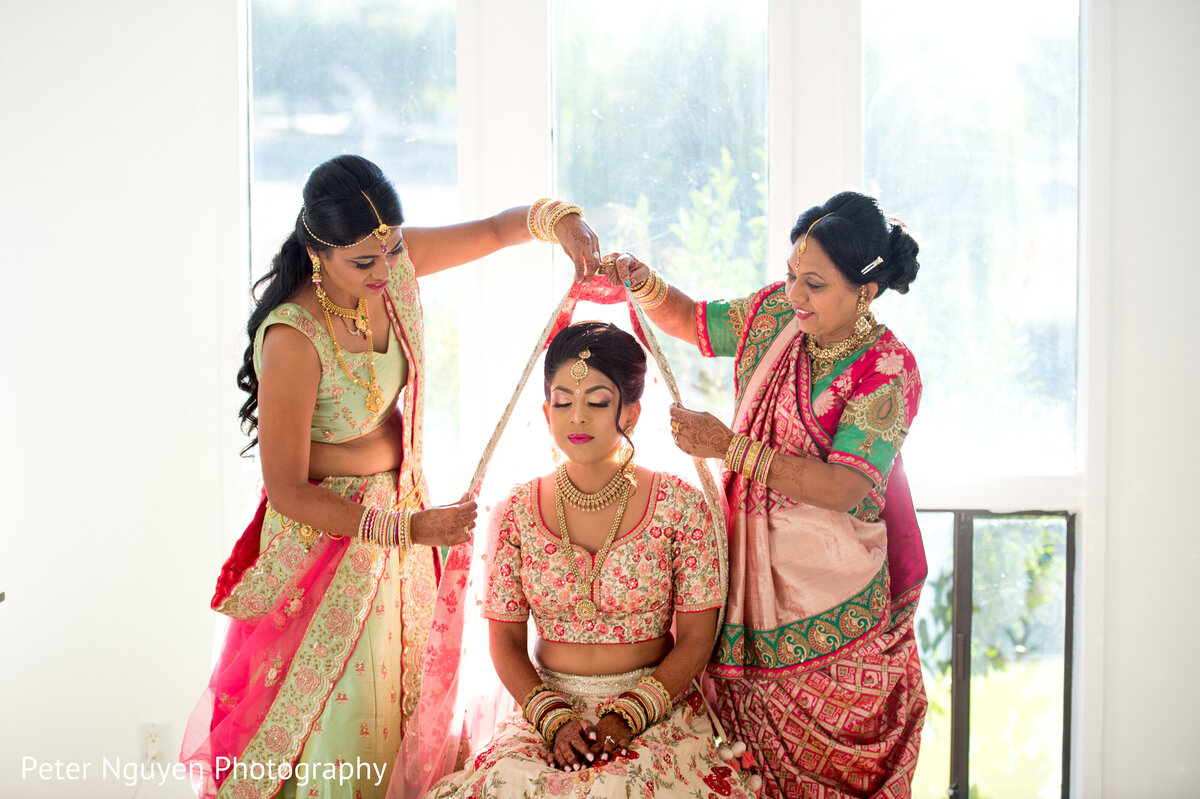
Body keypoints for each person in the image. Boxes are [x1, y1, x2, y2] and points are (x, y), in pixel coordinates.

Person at [181, 154, 603, 799]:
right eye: (365, 263)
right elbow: (289, 492)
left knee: (398, 710)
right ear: (317, 251)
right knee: (334, 723)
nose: (386, 271)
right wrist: (406, 528)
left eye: (394, 251)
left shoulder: (389, 264)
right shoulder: (294, 336)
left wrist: (560, 220)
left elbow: (493, 230)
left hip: (401, 529)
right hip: (329, 541)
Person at [609, 191, 928, 798]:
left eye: (813, 284)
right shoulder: (777, 317)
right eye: (789, 276)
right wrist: (642, 280)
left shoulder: (887, 368)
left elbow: (846, 485)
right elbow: (695, 323)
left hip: (837, 607)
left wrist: (731, 448)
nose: (794, 295)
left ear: (866, 291)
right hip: (747, 594)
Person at [425, 321, 755, 799]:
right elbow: (506, 643)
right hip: (546, 709)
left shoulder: (679, 506)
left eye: (597, 402)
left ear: (632, 413)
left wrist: (628, 714)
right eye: (563, 402)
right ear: (546, 410)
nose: (577, 417)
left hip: (655, 706)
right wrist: (554, 720)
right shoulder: (517, 511)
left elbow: (698, 639)